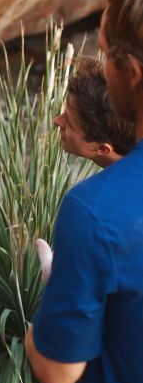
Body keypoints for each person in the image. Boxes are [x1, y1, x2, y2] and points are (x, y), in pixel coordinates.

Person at [26, 0, 143, 383]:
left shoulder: (95, 212)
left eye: (106, 49)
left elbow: (58, 372)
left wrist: (56, 291)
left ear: (130, 71)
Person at [37, 56, 136, 282]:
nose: (56, 121)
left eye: (69, 122)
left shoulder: (94, 209)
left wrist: (57, 280)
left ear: (102, 148)